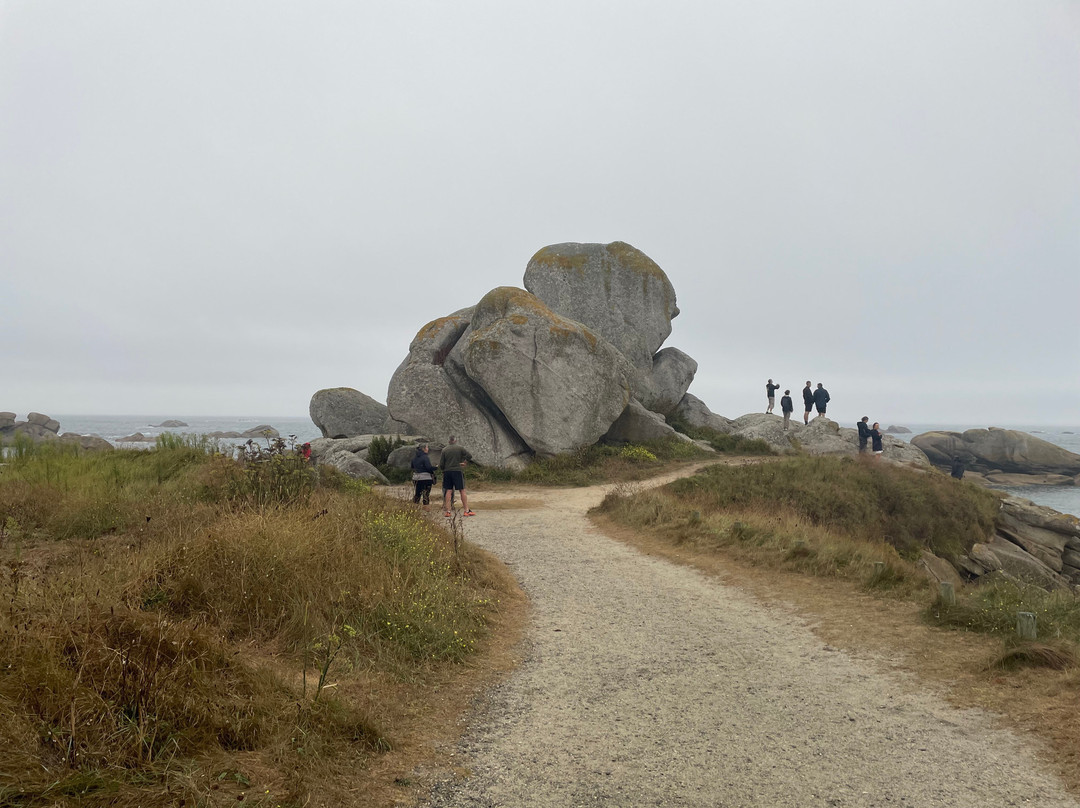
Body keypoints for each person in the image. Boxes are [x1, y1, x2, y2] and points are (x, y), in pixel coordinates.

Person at [440, 436, 476, 517]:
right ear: (455, 440)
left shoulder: (444, 450)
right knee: (462, 490)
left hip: (447, 472)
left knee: (448, 491)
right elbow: (469, 456)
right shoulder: (460, 448)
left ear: (449, 441)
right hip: (457, 471)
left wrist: (443, 470)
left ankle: (448, 511)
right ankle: (466, 510)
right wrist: (465, 462)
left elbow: (441, 464)